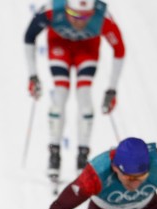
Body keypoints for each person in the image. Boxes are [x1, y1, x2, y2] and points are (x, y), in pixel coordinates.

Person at [24, 0, 125, 179]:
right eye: (75, 15)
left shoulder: (103, 17)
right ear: (66, 9)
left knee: (84, 97)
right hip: (59, 45)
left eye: (86, 16)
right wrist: (33, 75)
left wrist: (112, 89)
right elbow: (29, 36)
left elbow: (119, 49)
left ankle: (82, 156)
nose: (79, 21)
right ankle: (54, 153)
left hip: (87, 49)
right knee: (60, 96)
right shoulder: (52, 10)